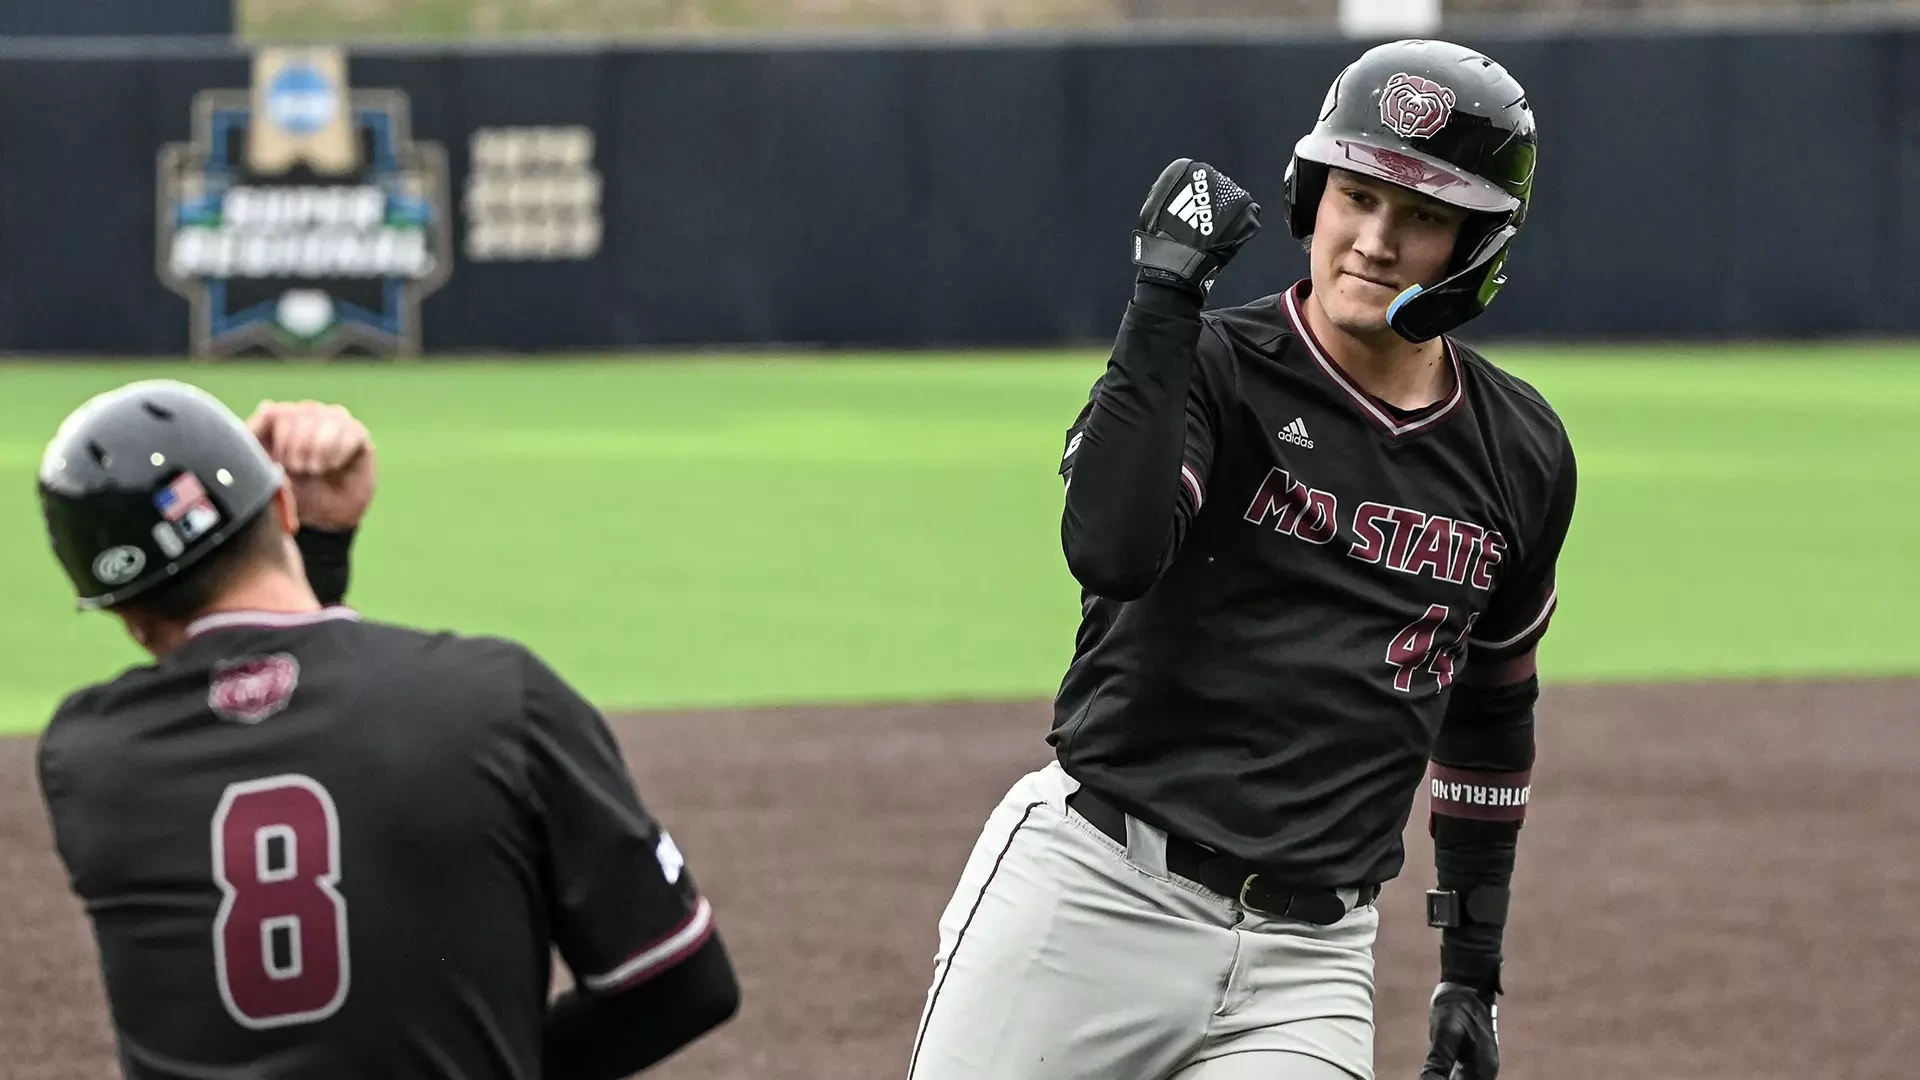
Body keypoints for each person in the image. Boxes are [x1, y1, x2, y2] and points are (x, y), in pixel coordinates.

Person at [908, 39, 1572, 1080]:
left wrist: (1471, 973)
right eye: (1356, 195)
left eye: (1424, 217)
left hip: (1309, 967)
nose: (1376, 240)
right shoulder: (1211, 366)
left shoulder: (1521, 453)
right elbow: (1112, 552)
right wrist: (1161, 308)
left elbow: (1491, 719)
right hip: (1090, 899)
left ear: (1477, 249)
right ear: (1313, 195)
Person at [35, 382, 738, 1080]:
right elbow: (683, 987)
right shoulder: (495, 698)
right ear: (282, 505)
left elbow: (280, 718)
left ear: (120, 609)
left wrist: (315, 556)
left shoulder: (89, 760)